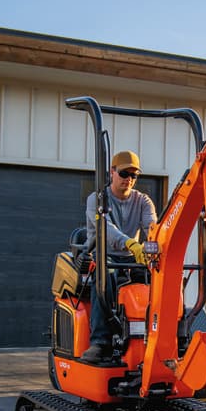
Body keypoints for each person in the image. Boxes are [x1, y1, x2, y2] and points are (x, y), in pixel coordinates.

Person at [79, 150, 157, 363]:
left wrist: (154, 243)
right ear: (112, 172)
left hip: (132, 259)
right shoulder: (97, 199)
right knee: (106, 277)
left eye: (134, 176)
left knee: (154, 280)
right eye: (124, 174)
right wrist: (131, 243)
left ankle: (153, 337)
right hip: (104, 256)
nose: (129, 179)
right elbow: (106, 229)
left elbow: (152, 226)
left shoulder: (143, 201)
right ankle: (100, 342)